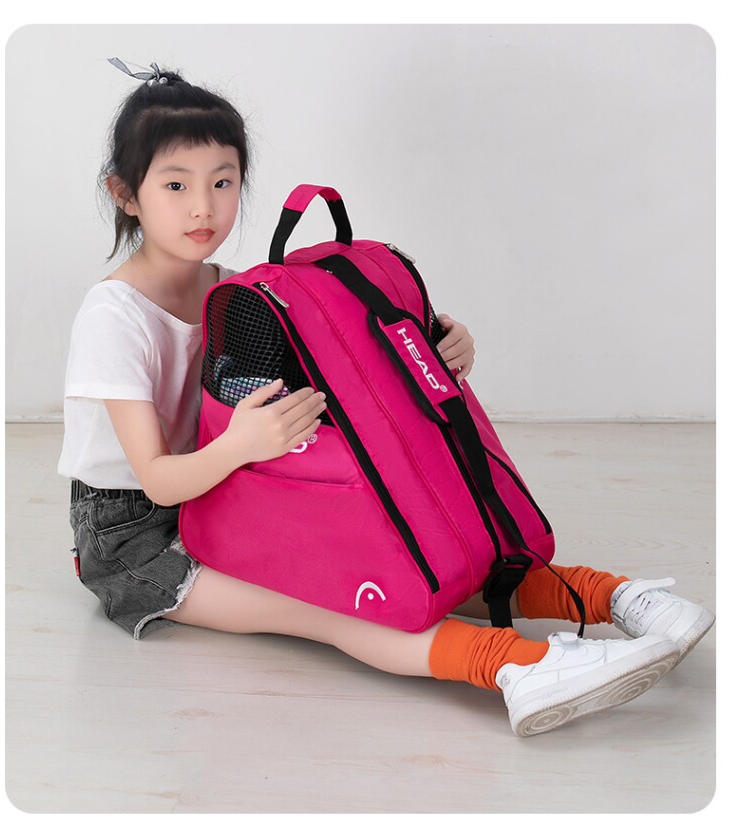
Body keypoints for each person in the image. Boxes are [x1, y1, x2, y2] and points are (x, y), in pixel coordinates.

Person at [58, 60, 714, 738]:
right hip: (134, 535)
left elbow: (344, 375)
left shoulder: (236, 292)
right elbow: (158, 481)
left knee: (405, 552)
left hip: (222, 487)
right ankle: (519, 667)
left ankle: (613, 597)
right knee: (334, 603)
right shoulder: (113, 316)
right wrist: (240, 446)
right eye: (176, 185)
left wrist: (435, 344)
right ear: (124, 194)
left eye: (222, 182)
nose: (203, 206)